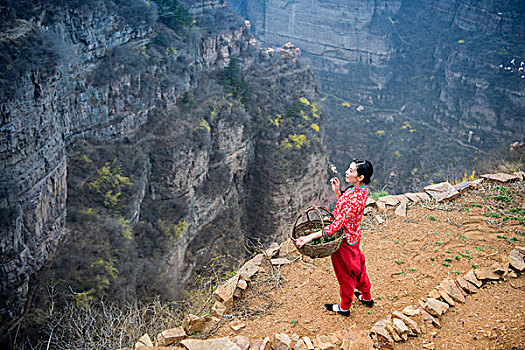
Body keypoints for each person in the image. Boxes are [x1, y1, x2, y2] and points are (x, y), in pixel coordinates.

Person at [296, 159, 374, 316]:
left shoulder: (354, 199)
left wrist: (310, 237)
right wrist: (338, 192)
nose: (347, 172)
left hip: (344, 241)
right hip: (353, 237)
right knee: (358, 268)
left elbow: (336, 226)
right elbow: (347, 212)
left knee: (345, 274)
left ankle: (344, 307)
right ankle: (366, 297)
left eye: (351, 171)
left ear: (360, 177)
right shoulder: (361, 189)